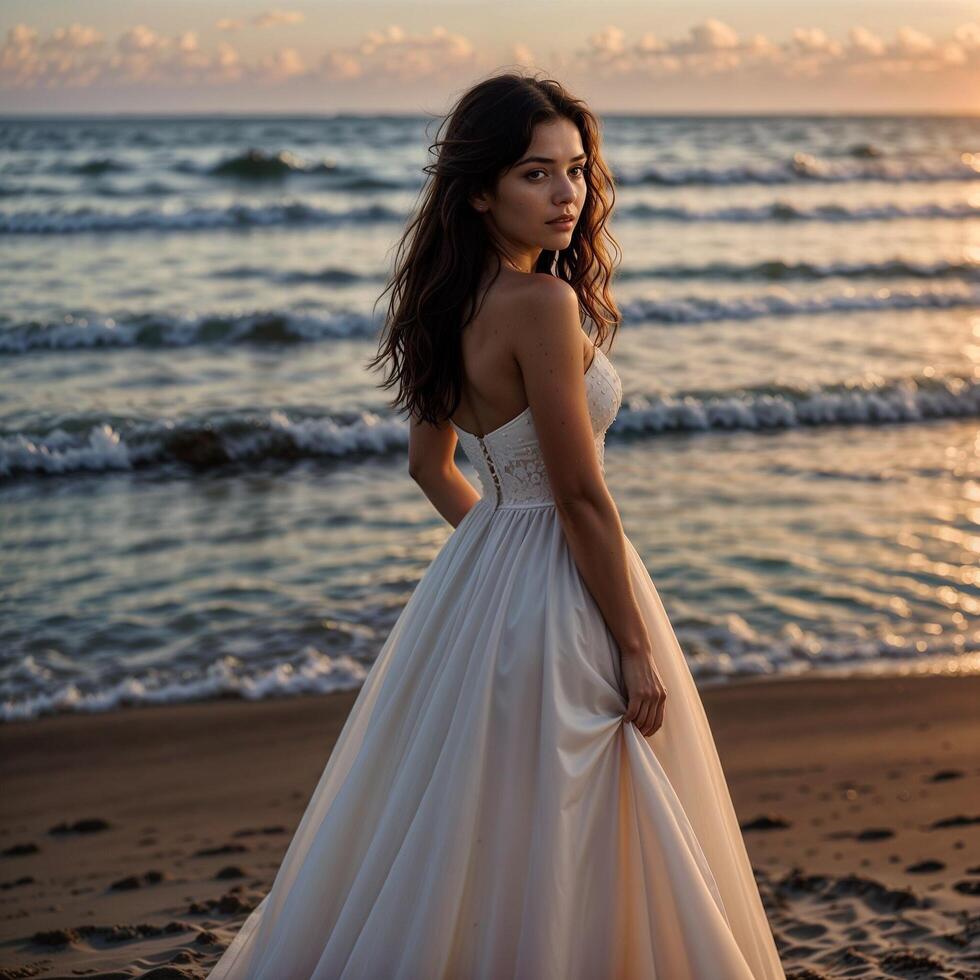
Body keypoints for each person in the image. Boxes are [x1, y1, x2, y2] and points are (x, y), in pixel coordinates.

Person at [207, 71, 786, 980]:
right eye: (534, 174)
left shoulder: (443, 305)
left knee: (477, 810)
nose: (567, 194)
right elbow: (582, 496)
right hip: (564, 575)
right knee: (584, 792)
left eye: (577, 170)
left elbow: (429, 467)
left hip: (486, 569)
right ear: (480, 191)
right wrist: (630, 642)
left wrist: (497, 557)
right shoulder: (544, 305)